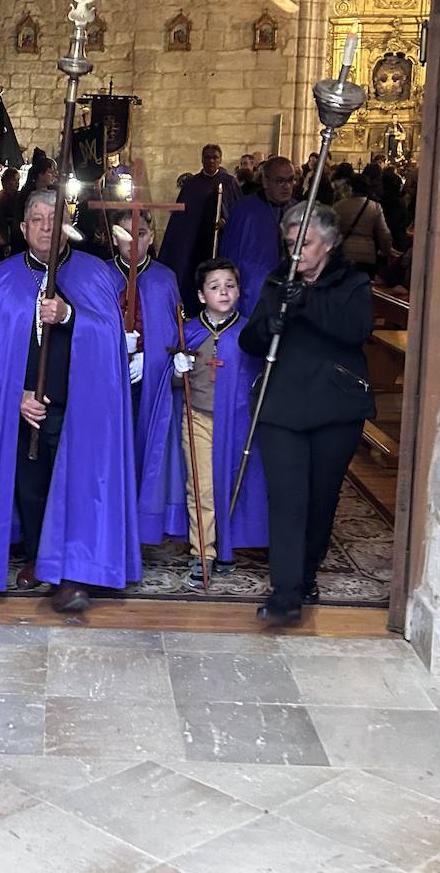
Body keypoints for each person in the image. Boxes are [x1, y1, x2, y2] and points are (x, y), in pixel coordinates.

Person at [0, 189, 140, 612]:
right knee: (30, 486)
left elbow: (109, 341)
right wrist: (15, 396)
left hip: (78, 404)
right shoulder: (1, 278)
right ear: (22, 228)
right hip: (23, 406)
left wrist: (69, 315)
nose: (46, 226)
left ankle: (74, 572)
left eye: (55, 218)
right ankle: (39, 555)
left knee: (76, 483)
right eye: (36, 218)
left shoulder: (95, 274)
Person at [239, 204, 375, 625]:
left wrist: (307, 305)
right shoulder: (279, 280)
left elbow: (355, 330)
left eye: (306, 243)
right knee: (287, 499)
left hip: (335, 407)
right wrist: (271, 326)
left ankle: (307, 570)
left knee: (320, 498)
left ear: (329, 244)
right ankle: (285, 592)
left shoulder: (353, 281)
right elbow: (250, 340)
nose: (296, 252)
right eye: (290, 242)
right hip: (282, 407)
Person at [173, 259, 268, 586]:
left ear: (239, 291)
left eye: (230, 285)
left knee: (232, 484)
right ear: (201, 295)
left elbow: (260, 377)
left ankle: (227, 550)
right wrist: (177, 368)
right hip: (197, 416)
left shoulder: (248, 331)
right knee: (201, 487)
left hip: (238, 423)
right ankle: (204, 553)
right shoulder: (190, 332)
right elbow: (170, 384)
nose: (223, 292)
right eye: (215, 287)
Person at [109, 209, 187, 544]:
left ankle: (143, 527)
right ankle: (112, 523)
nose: (133, 241)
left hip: (150, 381)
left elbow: (174, 331)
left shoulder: (165, 278)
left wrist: (150, 358)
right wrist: (113, 348)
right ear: (114, 238)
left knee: (146, 450)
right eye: (125, 233)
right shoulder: (101, 276)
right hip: (109, 383)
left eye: (140, 234)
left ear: (151, 238)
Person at [158, 143, 243, 309]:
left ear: (220, 160)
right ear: (202, 159)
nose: (211, 161)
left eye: (215, 158)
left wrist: (227, 222)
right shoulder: (192, 184)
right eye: (207, 157)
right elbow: (181, 216)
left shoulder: (229, 183)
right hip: (195, 241)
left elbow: (238, 213)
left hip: (220, 241)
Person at [217, 155, 299, 316]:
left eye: (291, 180)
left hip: (289, 292)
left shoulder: (297, 210)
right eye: (281, 181)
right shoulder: (244, 211)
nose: (287, 186)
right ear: (265, 181)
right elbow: (230, 257)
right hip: (252, 292)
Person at [333, 173, 394, 277]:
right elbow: (384, 233)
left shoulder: (339, 206)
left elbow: (332, 230)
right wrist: (386, 250)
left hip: (344, 252)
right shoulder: (375, 207)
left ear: (351, 187)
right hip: (367, 255)